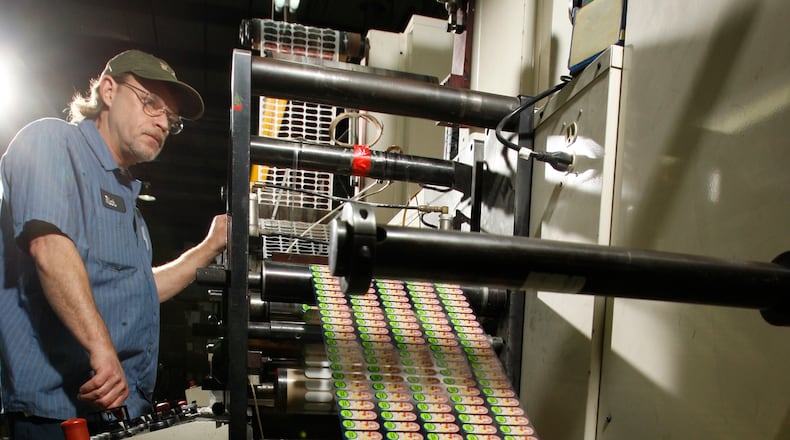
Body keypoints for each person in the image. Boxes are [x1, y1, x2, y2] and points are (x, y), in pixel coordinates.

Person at [0, 49, 227, 438]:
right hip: (57, 417)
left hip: (118, 411)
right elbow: (50, 249)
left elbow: (138, 290)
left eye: (171, 119)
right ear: (108, 90)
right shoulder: (51, 142)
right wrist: (101, 348)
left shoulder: (129, 207)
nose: (162, 122)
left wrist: (211, 245)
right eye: (150, 102)